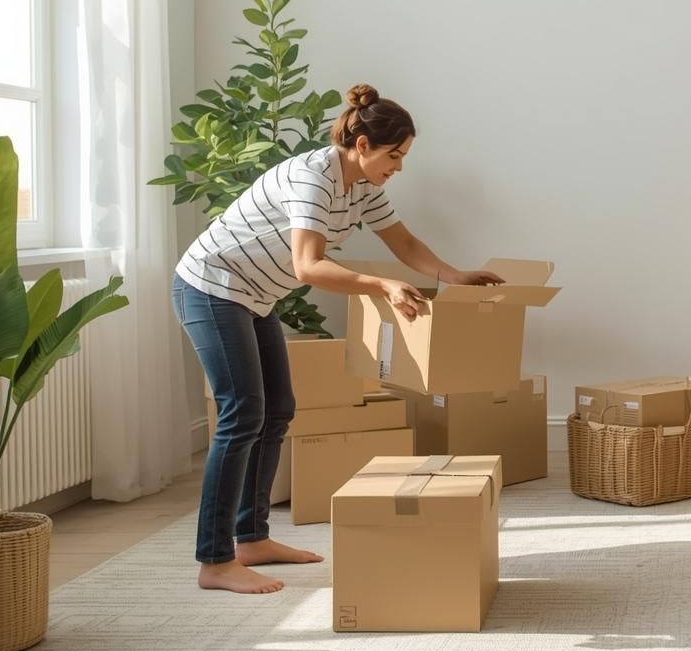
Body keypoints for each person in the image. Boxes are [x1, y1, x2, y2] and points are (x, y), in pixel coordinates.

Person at [171, 83, 501, 593]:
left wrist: (455, 277)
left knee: (277, 409)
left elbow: (404, 242)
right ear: (363, 146)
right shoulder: (313, 178)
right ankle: (214, 561)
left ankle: (251, 537)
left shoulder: (363, 188)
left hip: (254, 295)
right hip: (211, 286)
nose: (400, 166)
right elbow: (308, 266)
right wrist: (383, 285)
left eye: (405, 156)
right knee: (242, 415)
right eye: (395, 155)